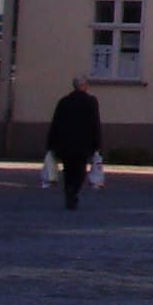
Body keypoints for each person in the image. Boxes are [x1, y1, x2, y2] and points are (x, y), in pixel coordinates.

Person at [44, 75, 102, 210]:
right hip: (83, 144)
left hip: (65, 144)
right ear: (84, 86)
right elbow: (95, 124)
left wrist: (51, 144)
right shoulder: (91, 101)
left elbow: (56, 123)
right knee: (80, 170)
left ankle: (69, 192)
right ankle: (74, 191)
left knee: (68, 170)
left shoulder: (64, 101)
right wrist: (97, 144)